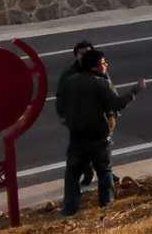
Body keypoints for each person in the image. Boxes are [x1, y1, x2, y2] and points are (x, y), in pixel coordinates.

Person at [59, 48, 145, 215]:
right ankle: (107, 206)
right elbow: (117, 104)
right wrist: (135, 90)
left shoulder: (70, 82)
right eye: (104, 63)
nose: (106, 65)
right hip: (98, 137)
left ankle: (69, 209)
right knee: (104, 171)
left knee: (72, 174)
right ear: (96, 66)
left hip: (76, 136)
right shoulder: (100, 83)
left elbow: (61, 106)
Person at [57, 40, 97, 192]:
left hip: (97, 117)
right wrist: (63, 115)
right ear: (76, 55)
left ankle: (105, 173)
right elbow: (61, 96)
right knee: (80, 149)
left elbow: (108, 90)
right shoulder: (69, 75)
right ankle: (87, 173)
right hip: (77, 119)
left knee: (99, 147)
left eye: (89, 52)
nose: (86, 56)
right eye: (82, 53)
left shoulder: (98, 69)